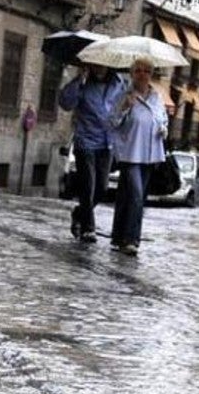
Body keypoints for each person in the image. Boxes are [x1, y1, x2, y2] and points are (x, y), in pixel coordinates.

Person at [58, 63, 126, 243]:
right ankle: (88, 228)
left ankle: (79, 213)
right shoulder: (83, 82)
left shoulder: (119, 83)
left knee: (101, 188)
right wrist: (78, 80)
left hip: (107, 142)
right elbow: (65, 103)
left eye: (102, 65)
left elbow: (122, 111)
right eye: (95, 65)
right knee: (87, 185)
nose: (98, 68)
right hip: (85, 140)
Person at [109, 57, 168, 256]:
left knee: (131, 196)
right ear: (132, 73)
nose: (143, 75)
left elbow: (163, 118)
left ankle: (118, 236)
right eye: (138, 71)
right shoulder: (124, 94)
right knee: (136, 195)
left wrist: (164, 128)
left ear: (151, 74)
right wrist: (124, 107)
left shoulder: (156, 97)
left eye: (147, 71)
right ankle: (131, 240)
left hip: (150, 154)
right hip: (130, 153)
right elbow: (112, 121)